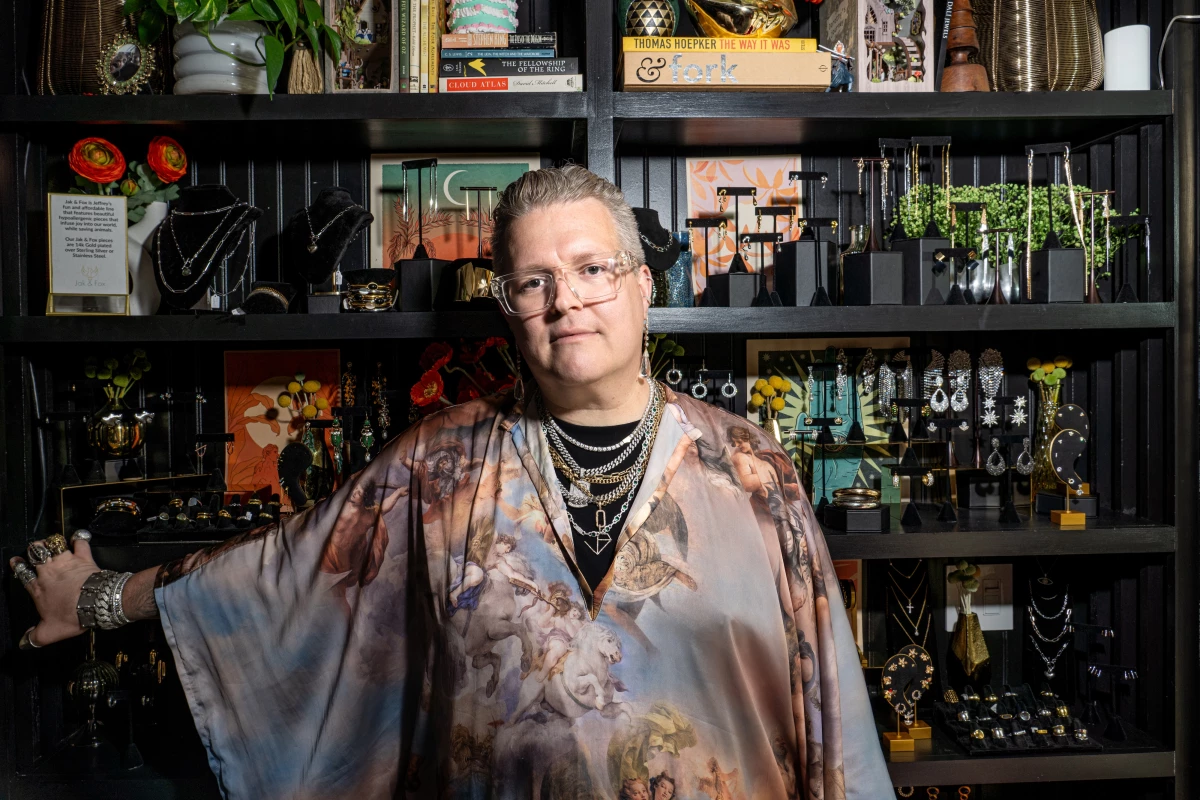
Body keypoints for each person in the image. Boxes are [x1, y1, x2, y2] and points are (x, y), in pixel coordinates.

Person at [11, 166, 891, 798]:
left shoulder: (749, 470)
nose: (566, 300)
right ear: (508, 307)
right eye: (534, 281)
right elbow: (284, 569)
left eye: (591, 269)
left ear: (643, 286)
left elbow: (832, 711)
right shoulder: (441, 464)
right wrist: (100, 599)